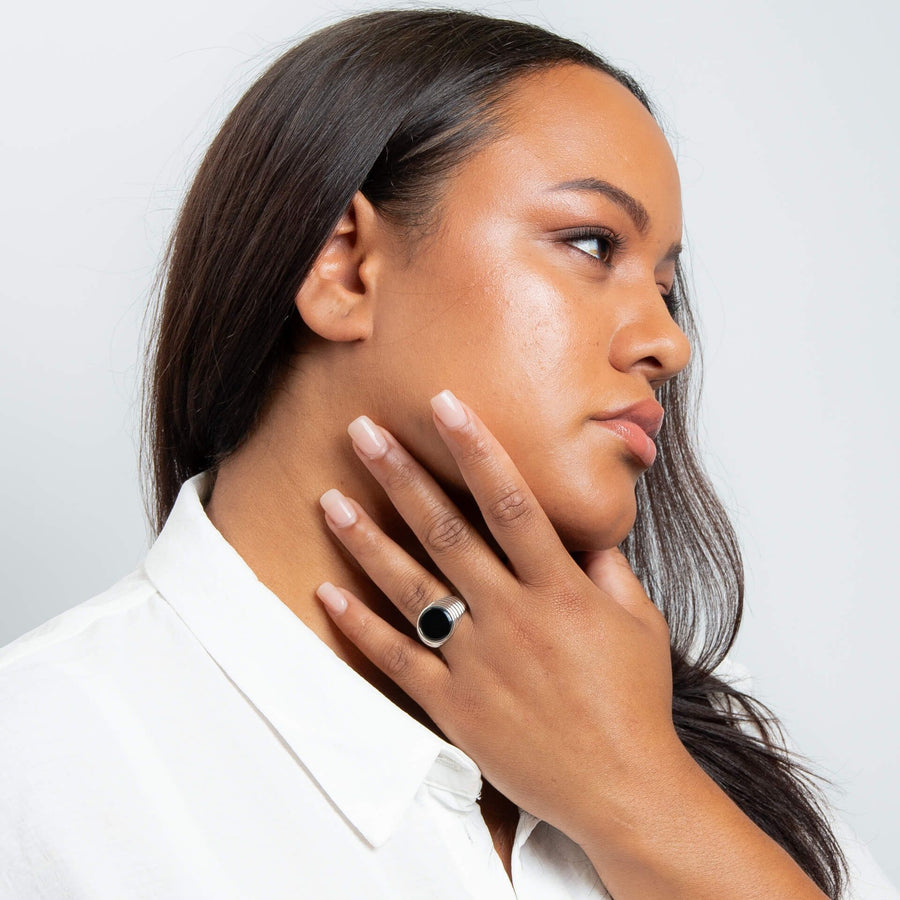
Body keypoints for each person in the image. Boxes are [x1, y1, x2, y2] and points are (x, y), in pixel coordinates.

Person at [0, 8, 896, 898]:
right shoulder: (41, 771)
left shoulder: (704, 744)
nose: (669, 343)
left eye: (665, 287)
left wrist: (642, 796)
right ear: (344, 267)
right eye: (592, 243)